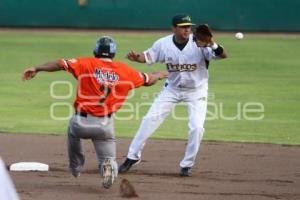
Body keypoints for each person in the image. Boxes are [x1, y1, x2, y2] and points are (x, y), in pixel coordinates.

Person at [22, 36, 167, 188]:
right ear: (113, 54)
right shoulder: (125, 71)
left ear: (95, 51)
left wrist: (37, 68)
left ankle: (76, 166)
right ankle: (108, 165)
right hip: (104, 126)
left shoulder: (86, 63)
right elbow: (148, 80)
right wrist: (158, 75)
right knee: (108, 155)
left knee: (73, 133)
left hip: (80, 122)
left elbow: (60, 63)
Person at [118, 14, 227, 176]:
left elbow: (223, 55)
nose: (187, 30)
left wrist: (212, 44)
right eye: (183, 27)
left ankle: (187, 165)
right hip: (172, 89)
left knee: (197, 128)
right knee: (149, 119)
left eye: (189, 27)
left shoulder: (200, 43)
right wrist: (136, 58)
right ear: (174, 28)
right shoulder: (163, 44)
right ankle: (132, 157)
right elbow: (147, 57)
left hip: (196, 91)